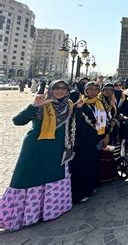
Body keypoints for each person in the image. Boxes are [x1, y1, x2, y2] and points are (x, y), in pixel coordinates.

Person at [0, 80, 75, 231]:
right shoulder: (42, 104)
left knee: (52, 177)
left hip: (57, 149)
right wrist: (33, 106)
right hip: (35, 148)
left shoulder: (69, 106)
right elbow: (18, 121)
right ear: (51, 89)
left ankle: (48, 211)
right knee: (26, 178)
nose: (60, 91)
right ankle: (23, 215)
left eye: (63, 88)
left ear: (67, 91)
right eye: (57, 88)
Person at [70, 81, 109, 204]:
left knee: (92, 164)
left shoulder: (100, 103)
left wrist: (106, 135)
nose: (93, 91)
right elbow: (75, 122)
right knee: (82, 166)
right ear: (85, 91)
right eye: (90, 89)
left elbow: (105, 120)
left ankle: (90, 187)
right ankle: (80, 193)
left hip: (97, 138)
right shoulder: (80, 103)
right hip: (83, 140)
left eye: (95, 89)